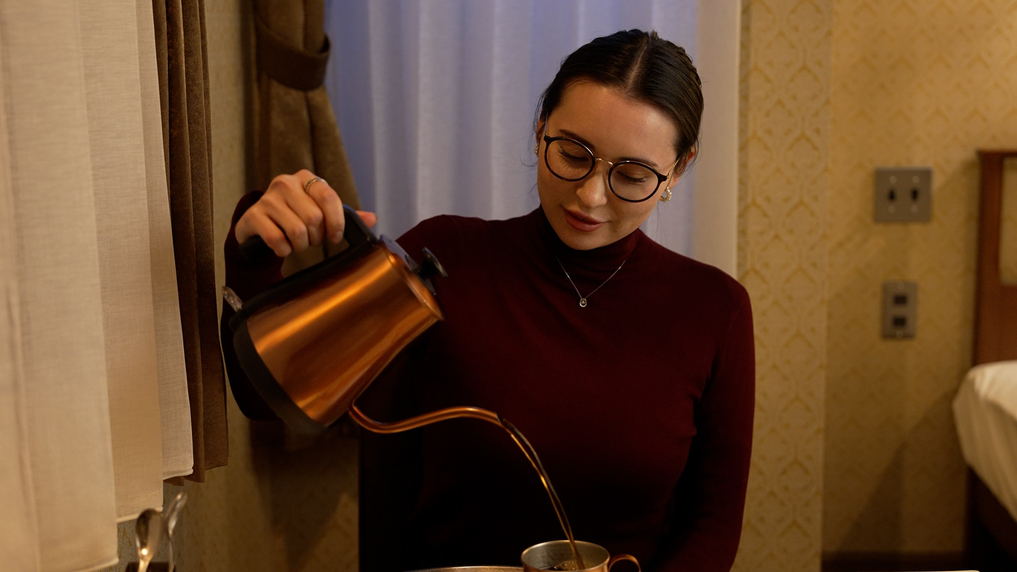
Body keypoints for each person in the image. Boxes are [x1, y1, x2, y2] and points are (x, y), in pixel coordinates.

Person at [221, 29, 755, 572]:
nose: (590, 196)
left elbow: (711, 529)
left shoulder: (716, 311)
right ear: (541, 126)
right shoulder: (446, 258)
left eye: (633, 176)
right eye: (573, 154)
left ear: (678, 168)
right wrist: (255, 252)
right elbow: (264, 398)